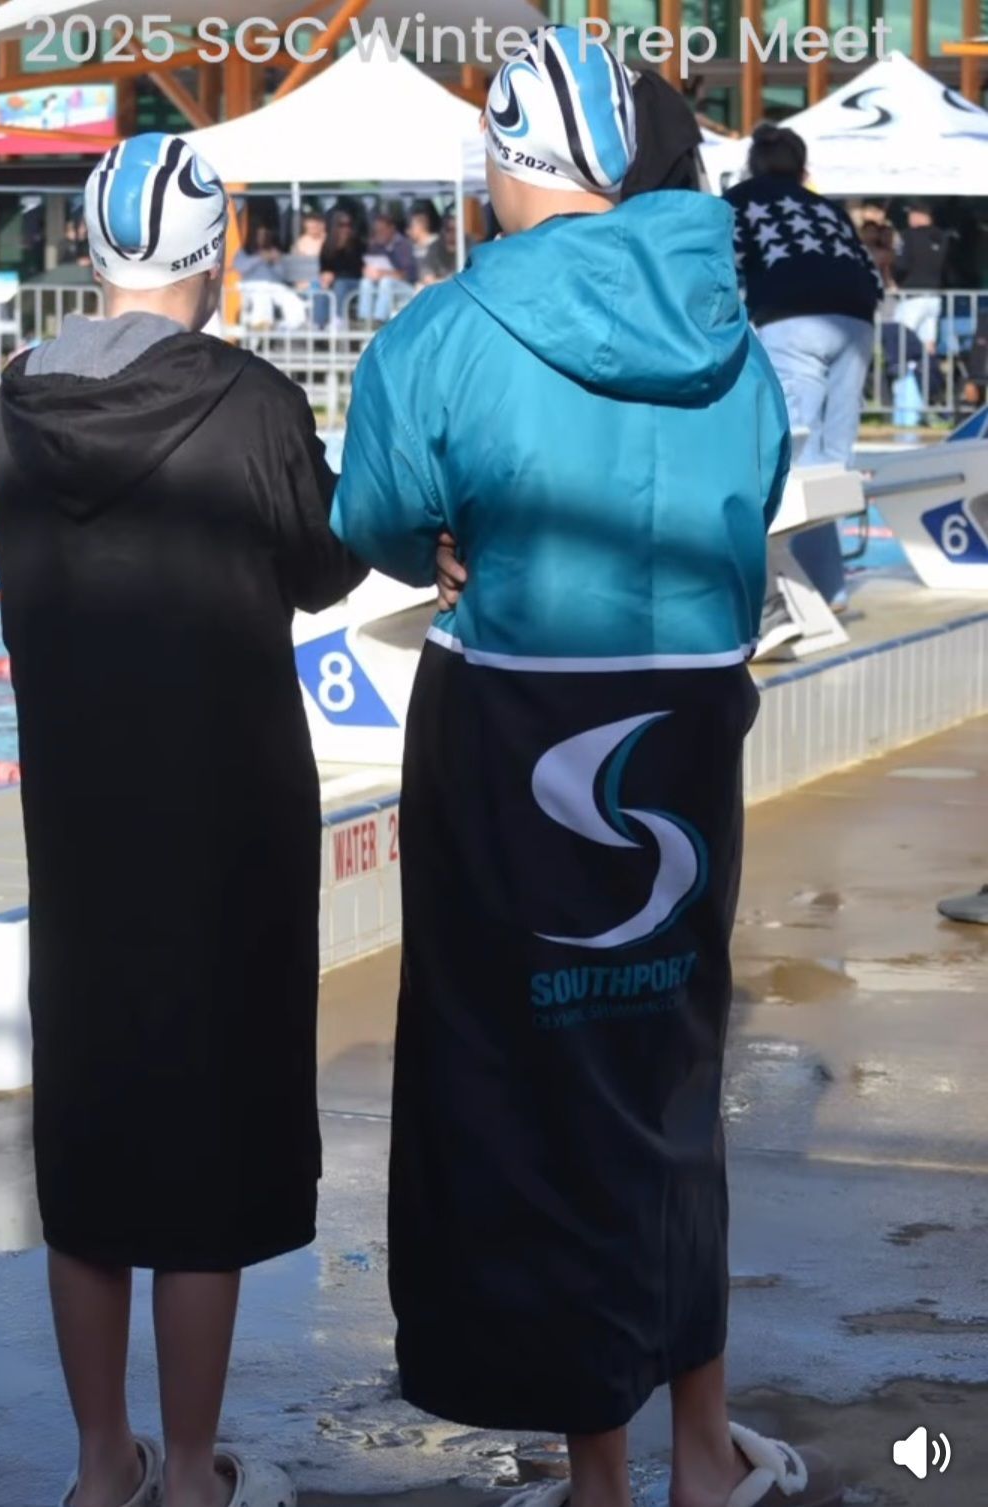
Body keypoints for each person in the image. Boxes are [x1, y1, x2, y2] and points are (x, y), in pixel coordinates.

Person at [332, 29, 839, 1507]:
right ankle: (699, 1450)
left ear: (508, 160)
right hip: (683, 732)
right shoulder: (728, 332)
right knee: (665, 1072)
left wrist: (442, 539)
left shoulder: (447, 329)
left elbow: (377, 513)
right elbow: (748, 520)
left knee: (524, 1084)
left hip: (511, 738)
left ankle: (597, 1470)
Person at [0, 134, 367, 1507]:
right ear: (214, 253)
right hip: (224, 827)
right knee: (204, 1138)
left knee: (90, 1131)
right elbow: (327, 559)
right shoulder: (249, 400)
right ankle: (193, 1466)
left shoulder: (16, 404)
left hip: (79, 829)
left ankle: (104, 1465)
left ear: (93, 252)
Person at [725, 124, 882, 615]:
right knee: (832, 464)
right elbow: (870, 271)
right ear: (801, 166)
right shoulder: (826, 207)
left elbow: (723, 271)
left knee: (791, 462)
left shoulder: (738, 200)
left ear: (754, 163)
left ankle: (788, 597)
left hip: (793, 321)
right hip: (856, 320)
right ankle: (828, 588)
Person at [894, 201, 956, 354]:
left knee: (900, 338)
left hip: (912, 296)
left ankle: (904, 374)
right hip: (934, 295)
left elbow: (902, 265)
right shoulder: (943, 237)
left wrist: (896, 281)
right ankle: (927, 374)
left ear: (917, 215)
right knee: (928, 342)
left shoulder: (907, 236)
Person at [356, 211, 417, 324]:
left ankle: (379, 321)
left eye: (382, 230)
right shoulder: (375, 246)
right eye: (376, 231)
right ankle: (364, 320)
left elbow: (407, 274)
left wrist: (383, 274)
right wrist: (367, 272)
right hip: (382, 287)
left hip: (406, 288)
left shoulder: (404, 245)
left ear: (391, 228)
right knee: (365, 282)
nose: (378, 234)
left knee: (386, 282)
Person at [317, 207, 366, 324]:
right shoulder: (327, 245)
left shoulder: (357, 243)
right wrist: (325, 276)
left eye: (349, 225)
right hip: (334, 280)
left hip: (353, 281)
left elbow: (356, 270)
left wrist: (334, 275)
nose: (346, 228)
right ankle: (318, 323)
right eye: (342, 225)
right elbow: (324, 266)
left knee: (340, 284)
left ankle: (338, 319)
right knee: (318, 286)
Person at [407, 200, 442, 281]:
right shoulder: (412, 246)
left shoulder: (437, 243)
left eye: (412, 227)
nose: (409, 230)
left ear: (421, 225)